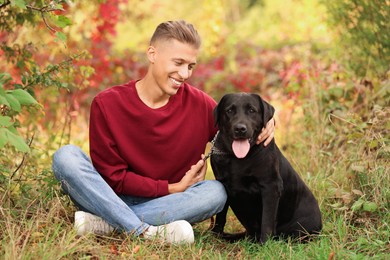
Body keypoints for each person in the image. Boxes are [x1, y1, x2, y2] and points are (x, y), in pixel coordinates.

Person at [52, 20, 275, 244]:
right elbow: (112, 178)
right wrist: (172, 187)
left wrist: (270, 121)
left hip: (171, 202)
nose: (184, 73)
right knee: (65, 156)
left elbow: (238, 122)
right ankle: (146, 231)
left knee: (215, 192)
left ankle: (107, 223)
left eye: (190, 66)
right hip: (110, 196)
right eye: (178, 62)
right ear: (152, 54)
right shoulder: (107, 104)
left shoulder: (200, 105)